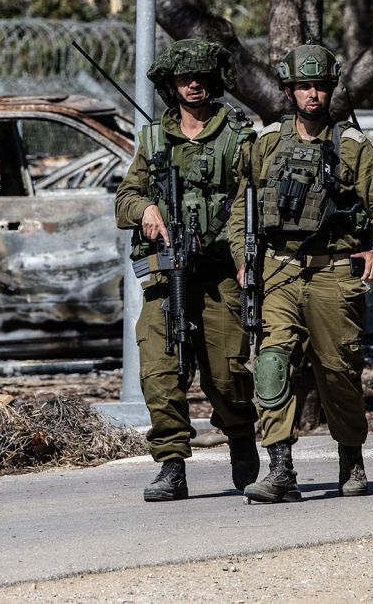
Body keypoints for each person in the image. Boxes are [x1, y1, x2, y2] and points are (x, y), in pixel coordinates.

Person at [228, 44, 373, 503]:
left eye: (321, 87)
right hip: (279, 269)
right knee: (271, 361)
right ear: (289, 90)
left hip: (333, 272)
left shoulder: (351, 146)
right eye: (304, 86)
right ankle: (281, 470)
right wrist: (243, 256)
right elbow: (239, 211)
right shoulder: (265, 143)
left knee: (338, 371)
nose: (313, 94)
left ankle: (351, 456)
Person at [114, 39, 260, 501]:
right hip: (167, 275)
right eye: (183, 78)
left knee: (226, 375)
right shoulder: (153, 139)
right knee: (159, 368)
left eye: (200, 77)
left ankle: (240, 435)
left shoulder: (239, 136)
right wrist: (146, 212)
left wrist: (244, 258)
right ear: (170, 85)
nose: (193, 84)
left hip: (220, 273)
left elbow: (256, 199)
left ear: (214, 81)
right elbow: (125, 198)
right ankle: (172, 465)